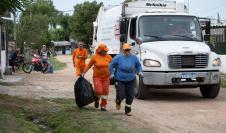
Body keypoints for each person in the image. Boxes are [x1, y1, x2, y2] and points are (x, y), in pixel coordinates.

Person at [109, 43, 143, 116]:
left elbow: (138, 65)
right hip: (120, 79)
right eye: (126, 50)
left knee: (130, 95)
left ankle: (128, 110)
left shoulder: (134, 58)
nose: (127, 51)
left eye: (128, 50)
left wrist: (140, 71)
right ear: (123, 50)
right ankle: (118, 100)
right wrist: (111, 73)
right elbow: (111, 65)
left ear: (130, 50)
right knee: (121, 94)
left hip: (131, 79)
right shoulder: (118, 58)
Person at [83, 43, 112, 111]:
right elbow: (89, 65)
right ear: (101, 51)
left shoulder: (109, 57)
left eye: (106, 51)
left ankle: (103, 106)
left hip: (106, 77)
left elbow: (113, 65)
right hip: (97, 77)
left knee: (105, 92)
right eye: (105, 51)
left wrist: (114, 72)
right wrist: (84, 72)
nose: (106, 52)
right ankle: (97, 99)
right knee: (99, 91)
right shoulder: (95, 57)